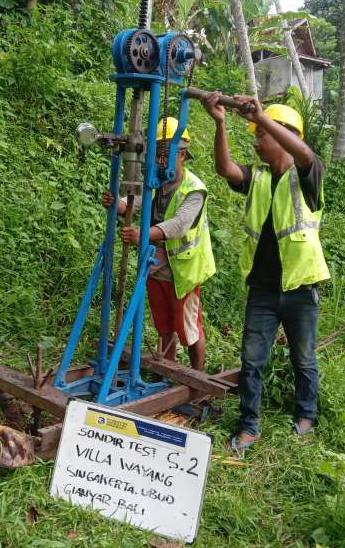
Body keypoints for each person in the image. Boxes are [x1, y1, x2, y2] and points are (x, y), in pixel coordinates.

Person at [201, 92, 330, 452]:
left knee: (303, 358)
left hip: (300, 289)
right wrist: (220, 123)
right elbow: (225, 168)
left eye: (261, 135)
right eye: (257, 134)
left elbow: (305, 154)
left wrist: (263, 116)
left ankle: (306, 415)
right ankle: (249, 426)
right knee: (252, 360)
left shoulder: (307, 175)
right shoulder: (257, 177)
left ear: (284, 134)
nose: (256, 141)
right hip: (262, 290)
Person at [102, 117, 216, 371]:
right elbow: (134, 202)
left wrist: (142, 235)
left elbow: (179, 225)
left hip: (184, 271)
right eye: (157, 153)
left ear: (183, 155)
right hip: (156, 265)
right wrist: (117, 203)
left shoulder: (194, 189)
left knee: (188, 330)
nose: (161, 159)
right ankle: (168, 371)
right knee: (164, 326)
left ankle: (197, 378)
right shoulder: (155, 182)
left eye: (167, 153)